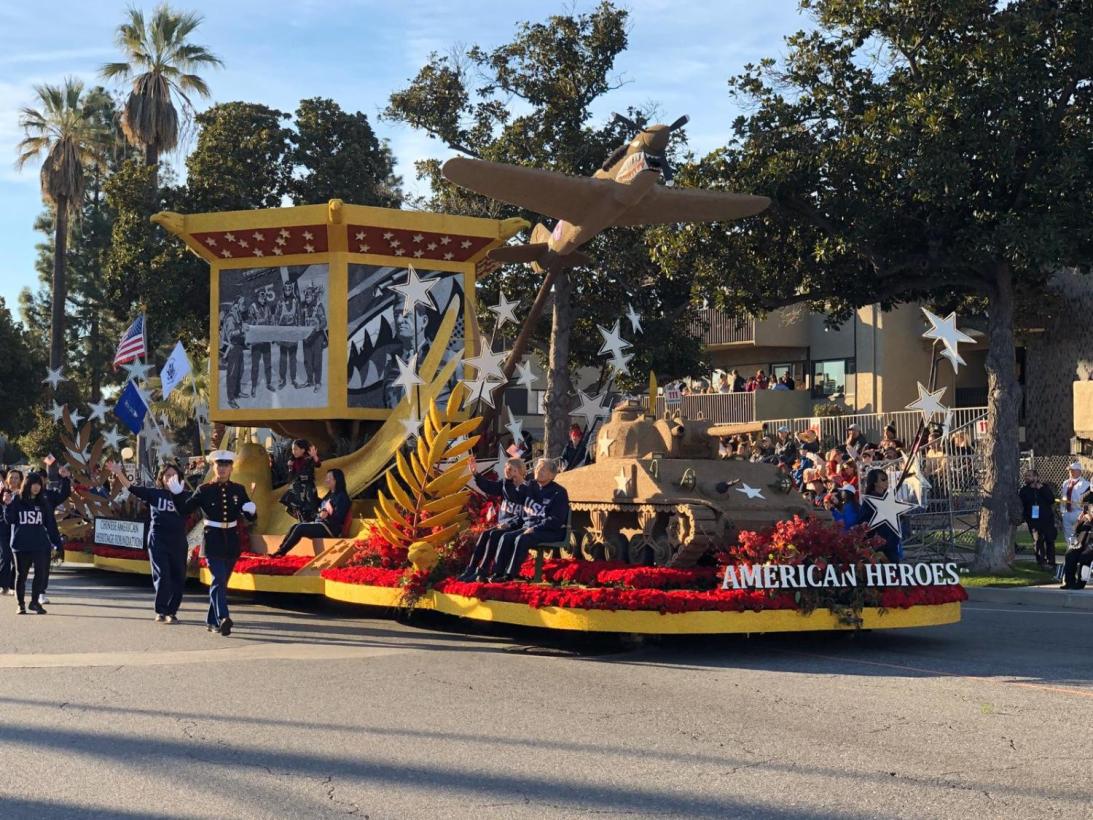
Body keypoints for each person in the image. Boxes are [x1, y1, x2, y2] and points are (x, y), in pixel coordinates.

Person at [183, 451, 257, 636]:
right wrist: (177, 493)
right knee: (218, 579)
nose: (222, 469)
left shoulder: (238, 490)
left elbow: (248, 514)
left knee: (222, 583)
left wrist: (251, 511)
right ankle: (223, 617)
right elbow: (185, 509)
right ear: (213, 467)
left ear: (231, 468)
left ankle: (211, 620)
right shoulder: (204, 489)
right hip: (212, 538)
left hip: (231, 539)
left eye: (226, 465)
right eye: (219, 465)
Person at [107, 460, 191, 623]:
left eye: (174, 475)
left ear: (180, 478)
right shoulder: (155, 494)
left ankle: (171, 612)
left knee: (178, 578)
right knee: (163, 575)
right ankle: (161, 610)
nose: (170, 478)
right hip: (158, 539)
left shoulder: (186, 496)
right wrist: (118, 472)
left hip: (178, 541)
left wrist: (180, 494)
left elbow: (200, 503)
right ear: (162, 478)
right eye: (167, 476)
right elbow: (132, 488)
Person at [0, 467, 70, 614]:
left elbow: (50, 523)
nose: (37, 487)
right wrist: (7, 506)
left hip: (40, 545)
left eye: (39, 484)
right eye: (34, 484)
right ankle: (21, 604)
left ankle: (34, 602)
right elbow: (9, 520)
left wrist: (56, 543)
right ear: (27, 484)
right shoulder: (16, 499)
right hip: (20, 545)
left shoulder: (43, 501)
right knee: (21, 575)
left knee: (40, 574)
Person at [489, 458, 569, 582]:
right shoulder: (531, 486)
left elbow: (556, 520)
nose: (538, 470)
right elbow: (517, 503)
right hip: (529, 527)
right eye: (537, 468)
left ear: (552, 475)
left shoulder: (559, 492)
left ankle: (510, 575)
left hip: (550, 530)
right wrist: (509, 480)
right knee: (506, 537)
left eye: (542, 469)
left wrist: (535, 528)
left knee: (522, 538)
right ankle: (497, 573)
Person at [459, 457, 530, 581]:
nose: (507, 472)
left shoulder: (527, 489)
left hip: (517, 526)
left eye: (510, 469)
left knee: (494, 535)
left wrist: (510, 524)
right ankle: (471, 569)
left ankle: (483, 571)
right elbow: (489, 487)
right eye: (506, 469)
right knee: (485, 534)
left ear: (519, 471)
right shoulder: (505, 484)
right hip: (503, 524)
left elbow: (527, 515)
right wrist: (476, 474)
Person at [272, 468, 350, 557]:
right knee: (295, 526)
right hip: (320, 523)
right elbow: (319, 506)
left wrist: (327, 515)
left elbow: (339, 518)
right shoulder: (330, 494)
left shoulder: (342, 497)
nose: (326, 480)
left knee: (300, 528)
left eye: (329, 478)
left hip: (329, 528)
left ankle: (281, 552)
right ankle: (280, 550)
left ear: (336, 480)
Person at [1018, 469, 1058, 569]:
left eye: (1029, 476)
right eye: (1026, 476)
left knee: (1049, 540)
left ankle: (1051, 562)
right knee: (1038, 541)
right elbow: (1022, 505)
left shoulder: (1044, 487)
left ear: (1036, 477)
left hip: (1047, 519)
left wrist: (1042, 489)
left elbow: (1051, 500)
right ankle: (1041, 562)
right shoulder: (1024, 491)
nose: (1027, 478)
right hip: (1033, 521)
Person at [860, 468, 901, 563]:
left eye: (886, 479)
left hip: (892, 545)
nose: (886, 482)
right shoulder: (869, 501)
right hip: (878, 548)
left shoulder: (887, 499)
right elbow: (864, 523)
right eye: (883, 479)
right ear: (874, 482)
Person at [280, 439, 322, 522]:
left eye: (295, 449)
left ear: (302, 450)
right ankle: (302, 523)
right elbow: (291, 477)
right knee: (298, 509)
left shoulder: (308, 459)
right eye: (292, 449)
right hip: (298, 489)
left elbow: (318, 464)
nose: (293, 451)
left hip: (308, 489)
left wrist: (314, 456)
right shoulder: (293, 461)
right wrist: (290, 467)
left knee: (310, 510)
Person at [1061, 492, 1093, 589]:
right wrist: (1080, 521)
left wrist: (1091, 519)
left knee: (1085, 556)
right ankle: (1069, 582)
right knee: (1070, 554)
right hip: (1083, 538)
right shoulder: (1086, 514)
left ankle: (1080, 582)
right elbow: (1076, 530)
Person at [246, 289, 275, 397]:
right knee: (255, 365)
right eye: (261, 297)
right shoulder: (253, 307)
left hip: (266, 340)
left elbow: (271, 321)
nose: (263, 299)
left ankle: (269, 383)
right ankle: (254, 386)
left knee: (268, 363)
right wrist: (259, 322)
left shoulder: (267, 307)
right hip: (257, 341)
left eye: (264, 297)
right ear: (257, 297)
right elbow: (250, 321)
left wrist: (272, 334)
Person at [276, 281, 303, 390]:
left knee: (292, 358)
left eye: (289, 289)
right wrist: (277, 335)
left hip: (292, 333)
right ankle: (282, 379)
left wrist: (299, 330)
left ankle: (293, 379)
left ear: (291, 290)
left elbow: (299, 316)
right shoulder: (280, 302)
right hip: (283, 334)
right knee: (283, 358)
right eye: (286, 289)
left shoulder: (296, 301)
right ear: (283, 290)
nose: (287, 291)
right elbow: (276, 318)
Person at [0, 468, 23, 595]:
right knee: (5, 555)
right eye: (12, 477)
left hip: (18, 529)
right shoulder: (3, 492)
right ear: (7, 479)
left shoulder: (22, 494)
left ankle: (14, 586)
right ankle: (3, 585)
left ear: (20, 480)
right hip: (3, 528)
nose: (14, 480)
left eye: (16, 478)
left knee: (16, 558)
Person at [301, 285, 327, 392]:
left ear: (313, 296)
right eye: (306, 296)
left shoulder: (318, 306)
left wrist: (318, 327)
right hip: (306, 338)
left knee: (317, 361)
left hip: (317, 338)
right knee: (307, 361)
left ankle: (318, 382)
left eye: (309, 296)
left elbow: (324, 322)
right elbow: (301, 321)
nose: (307, 298)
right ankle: (309, 380)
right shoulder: (304, 307)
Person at [222, 299, 247, 408]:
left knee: (240, 370)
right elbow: (231, 334)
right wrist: (241, 330)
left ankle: (237, 392)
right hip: (232, 348)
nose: (244, 306)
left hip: (239, 347)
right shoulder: (230, 317)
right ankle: (231, 398)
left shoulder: (238, 315)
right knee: (232, 373)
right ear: (236, 305)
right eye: (242, 304)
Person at [1059, 462, 1090, 548]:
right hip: (1067, 512)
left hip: (1079, 513)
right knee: (1068, 535)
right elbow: (1063, 497)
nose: (1070, 472)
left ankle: (1080, 553)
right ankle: (1070, 552)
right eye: (1069, 471)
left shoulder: (1085, 484)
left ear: (1079, 471)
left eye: (1072, 470)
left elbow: (1087, 500)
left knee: (1080, 534)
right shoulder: (1065, 483)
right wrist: (1062, 511)